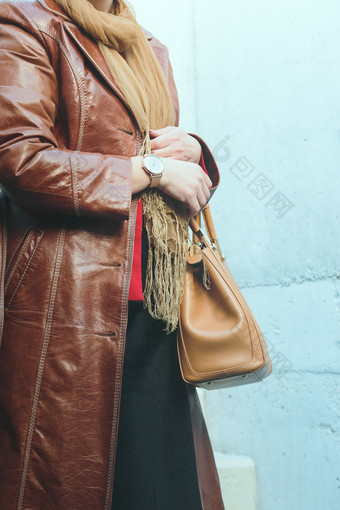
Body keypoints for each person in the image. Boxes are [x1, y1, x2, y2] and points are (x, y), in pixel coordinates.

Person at [0, 0, 225, 508]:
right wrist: (152, 170)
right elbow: (19, 157)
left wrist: (191, 151)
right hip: (70, 310)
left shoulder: (149, 47)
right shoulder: (24, 21)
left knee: (166, 490)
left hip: (160, 305)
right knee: (74, 485)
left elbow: (163, 161)